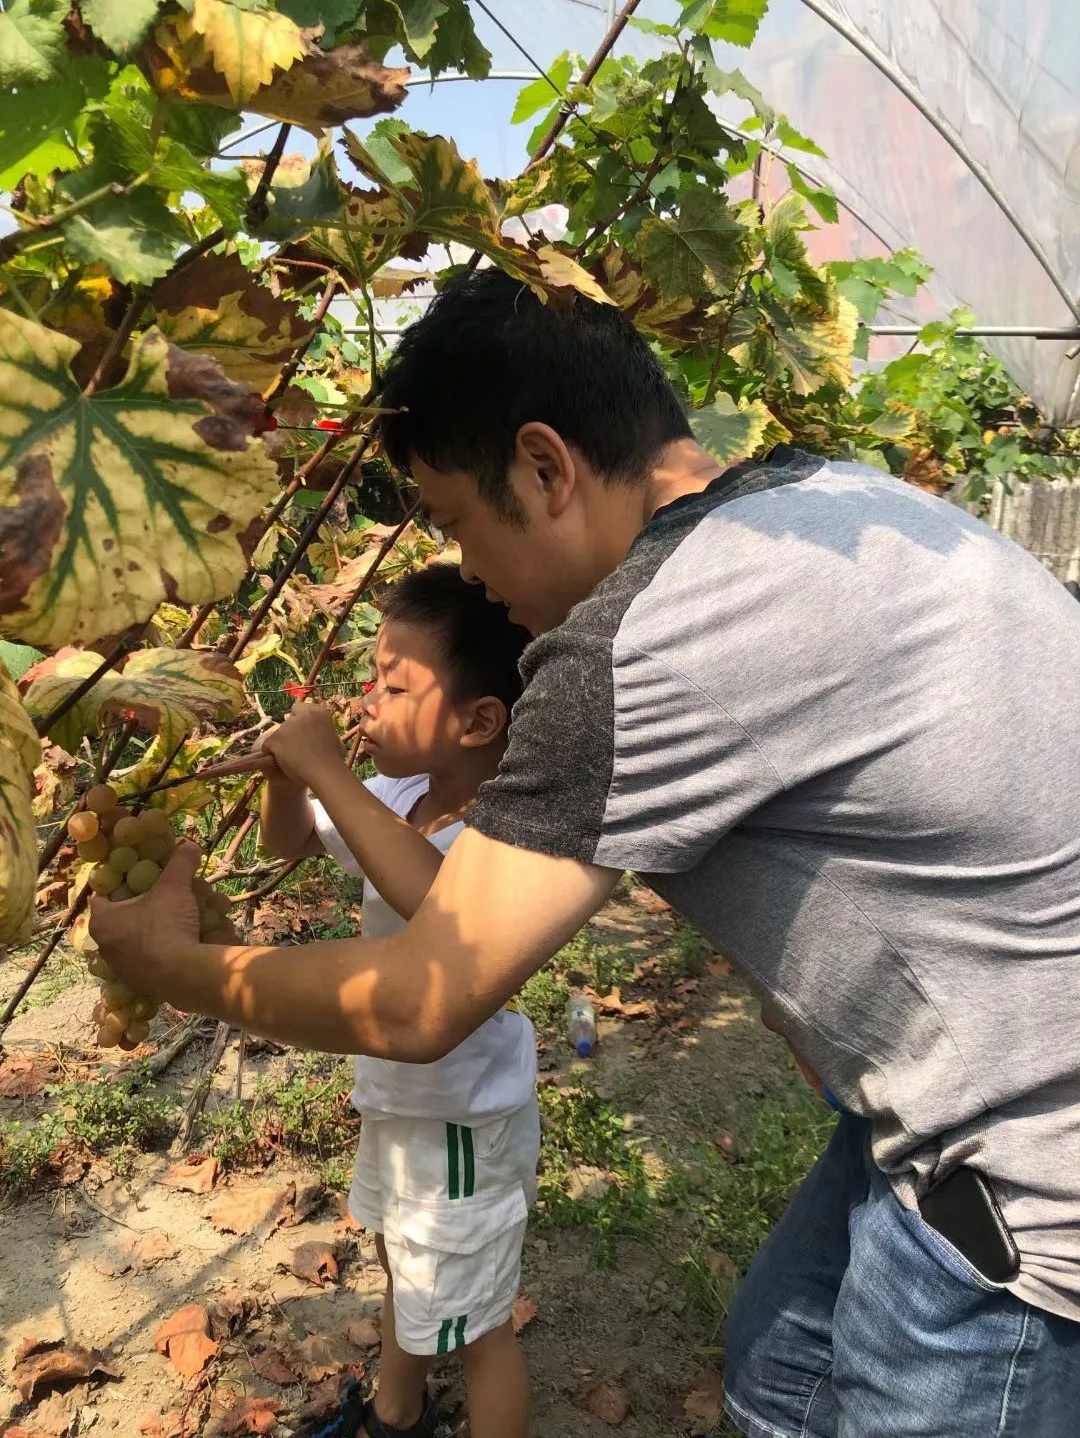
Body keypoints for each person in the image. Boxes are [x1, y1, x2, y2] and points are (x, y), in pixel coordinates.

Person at [93, 269, 1080, 1437]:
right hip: (954, 1093)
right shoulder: (828, 503)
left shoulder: (642, 643)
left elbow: (423, 1000)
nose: (469, 575)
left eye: (457, 523)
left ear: (545, 467)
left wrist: (173, 971)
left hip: (1018, 1176)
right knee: (779, 1375)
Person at [255, 563, 537, 1438]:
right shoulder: (402, 797)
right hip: (401, 1100)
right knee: (405, 1268)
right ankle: (394, 1413)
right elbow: (290, 841)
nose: (367, 700)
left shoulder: (496, 834)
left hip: (460, 1119)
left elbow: (438, 905)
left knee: (480, 1327)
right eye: (368, 678)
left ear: (478, 720)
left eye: (394, 684)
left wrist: (327, 770)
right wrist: (286, 774)